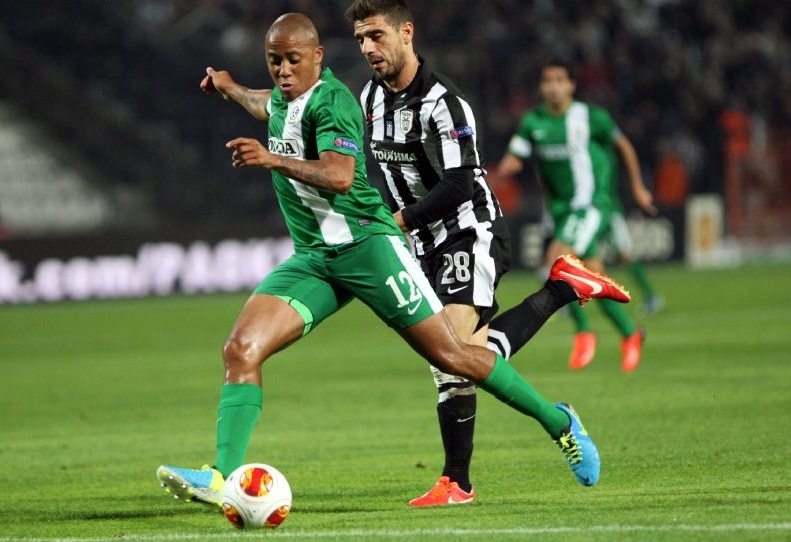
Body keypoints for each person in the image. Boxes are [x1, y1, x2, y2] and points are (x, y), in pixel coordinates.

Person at [156, 13, 624, 509]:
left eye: (293, 60)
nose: (283, 71)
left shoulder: (338, 102)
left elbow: (340, 176)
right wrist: (229, 88)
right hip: (314, 258)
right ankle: (220, 477)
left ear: (317, 57)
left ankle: (559, 423)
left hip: (371, 246)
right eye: (275, 61)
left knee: (453, 358)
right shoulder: (303, 98)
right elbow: (266, 104)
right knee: (240, 350)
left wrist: (272, 159)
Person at [346, 0, 627, 507]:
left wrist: (399, 220)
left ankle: (460, 480)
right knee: (465, 356)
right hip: (421, 243)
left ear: (406, 32)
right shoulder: (369, 97)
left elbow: (459, 182)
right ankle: (562, 290)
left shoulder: (444, 103)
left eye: (376, 35)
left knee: (450, 357)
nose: (368, 48)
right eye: (361, 39)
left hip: (467, 229)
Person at [498, 60, 655, 372]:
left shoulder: (592, 117)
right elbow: (516, 154)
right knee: (592, 274)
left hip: (591, 203)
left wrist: (638, 187)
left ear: (571, 85)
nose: (554, 87)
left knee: (557, 261)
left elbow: (624, 146)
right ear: (541, 87)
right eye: (548, 81)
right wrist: (507, 166)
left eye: (560, 80)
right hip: (559, 210)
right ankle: (630, 333)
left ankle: (584, 331)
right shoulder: (533, 121)